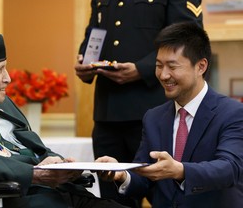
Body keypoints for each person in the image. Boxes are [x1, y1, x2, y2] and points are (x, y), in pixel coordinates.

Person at [0, 31, 130, 208]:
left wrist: (61, 165)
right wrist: (33, 173)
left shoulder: (2, 103)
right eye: (0, 70)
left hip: (61, 192)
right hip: (18, 199)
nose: (8, 78)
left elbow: (33, 148)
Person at [75, 0, 203, 206]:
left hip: (153, 110)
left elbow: (188, 37)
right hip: (107, 113)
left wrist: (143, 69)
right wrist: (86, 61)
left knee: (165, 195)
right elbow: (94, 32)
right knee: (110, 196)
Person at [96, 22, 243, 208]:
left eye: (172, 66)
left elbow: (230, 169)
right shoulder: (154, 117)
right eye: (159, 65)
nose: (163, 75)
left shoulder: (232, 113)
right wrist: (121, 173)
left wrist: (180, 171)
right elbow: (144, 177)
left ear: (201, 66)